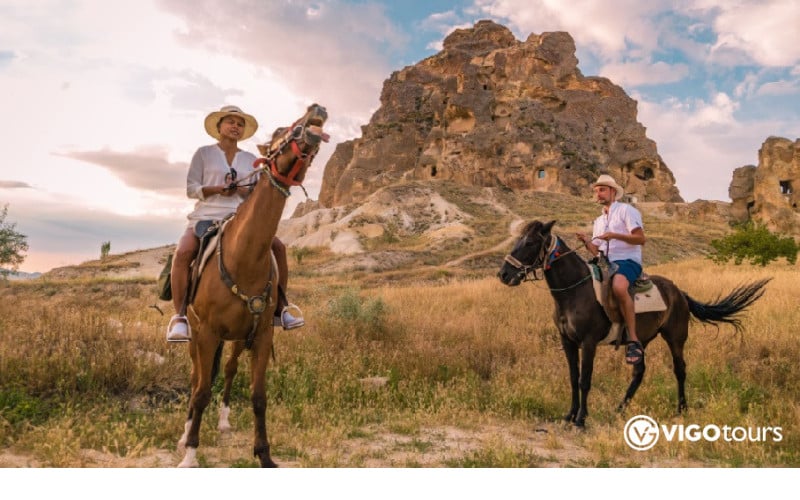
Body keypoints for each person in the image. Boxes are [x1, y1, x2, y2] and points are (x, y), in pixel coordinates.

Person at [166, 105, 304, 342]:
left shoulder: (250, 159)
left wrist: (241, 191)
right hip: (206, 216)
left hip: (239, 217)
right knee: (183, 252)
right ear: (219, 127)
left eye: (239, 124)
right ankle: (180, 318)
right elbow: (191, 190)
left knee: (279, 248)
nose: (235, 127)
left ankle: (281, 307)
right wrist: (218, 189)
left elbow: (258, 192)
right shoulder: (203, 153)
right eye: (230, 122)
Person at [576, 174, 646, 365]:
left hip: (627, 260)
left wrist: (615, 235)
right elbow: (597, 250)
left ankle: (633, 339)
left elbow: (641, 239)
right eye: (596, 190)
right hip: (606, 262)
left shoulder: (626, 211)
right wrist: (587, 242)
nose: (598, 194)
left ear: (613, 192)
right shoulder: (598, 221)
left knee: (619, 286)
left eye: (602, 190)